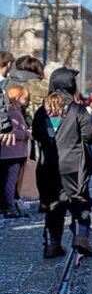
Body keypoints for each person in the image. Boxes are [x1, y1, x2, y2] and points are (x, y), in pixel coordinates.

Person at [32, 68, 92, 258]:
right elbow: (88, 135)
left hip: (49, 166)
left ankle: (53, 244)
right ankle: (82, 237)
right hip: (74, 166)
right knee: (80, 201)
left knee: (55, 204)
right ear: (71, 85)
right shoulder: (77, 109)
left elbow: (37, 135)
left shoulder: (41, 111)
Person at [0, 84, 31, 218]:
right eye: (25, 98)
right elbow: (11, 132)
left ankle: (9, 204)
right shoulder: (12, 113)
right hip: (12, 153)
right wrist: (26, 133)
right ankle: (10, 206)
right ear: (18, 97)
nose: (27, 100)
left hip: (13, 153)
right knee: (11, 181)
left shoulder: (14, 111)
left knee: (9, 180)